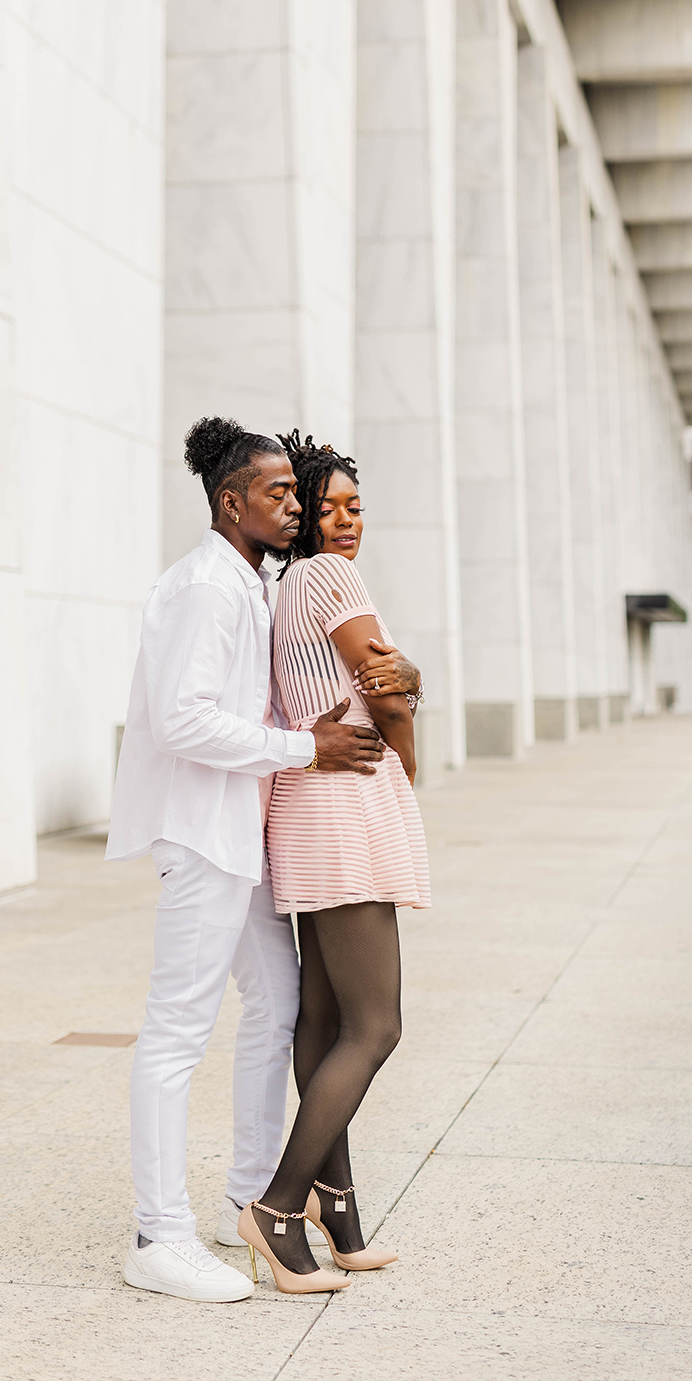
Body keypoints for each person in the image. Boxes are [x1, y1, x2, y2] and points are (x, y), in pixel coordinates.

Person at [107, 418, 403, 1304]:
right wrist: (300, 749)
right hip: (200, 834)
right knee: (177, 1031)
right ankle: (157, 1236)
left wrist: (299, 743)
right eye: (277, 493)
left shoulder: (245, 585)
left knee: (279, 1006)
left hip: (242, 833)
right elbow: (181, 719)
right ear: (229, 501)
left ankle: (252, 1196)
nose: (294, 505)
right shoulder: (205, 587)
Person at [234, 433, 429, 1293]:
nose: (347, 521)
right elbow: (382, 686)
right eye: (329, 507)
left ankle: (337, 1208)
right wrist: (410, 740)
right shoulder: (330, 576)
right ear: (302, 517)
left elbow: (373, 675)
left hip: (306, 812)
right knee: (375, 1025)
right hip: (344, 812)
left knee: (322, 1018)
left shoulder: (288, 589)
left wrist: (404, 677)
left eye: (357, 507)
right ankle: (278, 1209)